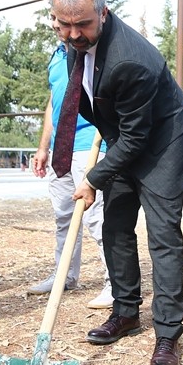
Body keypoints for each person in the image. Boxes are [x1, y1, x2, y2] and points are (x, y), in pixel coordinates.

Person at [50, 0, 183, 365]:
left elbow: (138, 137)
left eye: (83, 24)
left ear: (103, 13)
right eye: (65, 24)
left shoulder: (131, 59)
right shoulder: (74, 43)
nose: (74, 34)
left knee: (163, 237)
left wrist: (93, 178)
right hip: (123, 139)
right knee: (115, 227)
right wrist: (105, 154)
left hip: (163, 145)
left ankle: (167, 336)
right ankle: (125, 312)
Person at [30, 27, 113, 309]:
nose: (59, 26)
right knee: (63, 216)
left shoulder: (94, 51)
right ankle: (64, 275)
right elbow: (53, 102)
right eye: (54, 19)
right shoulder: (56, 56)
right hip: (60, 147)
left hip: (90, 145)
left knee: (96, 217)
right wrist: (44, 147)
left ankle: (114, 282)